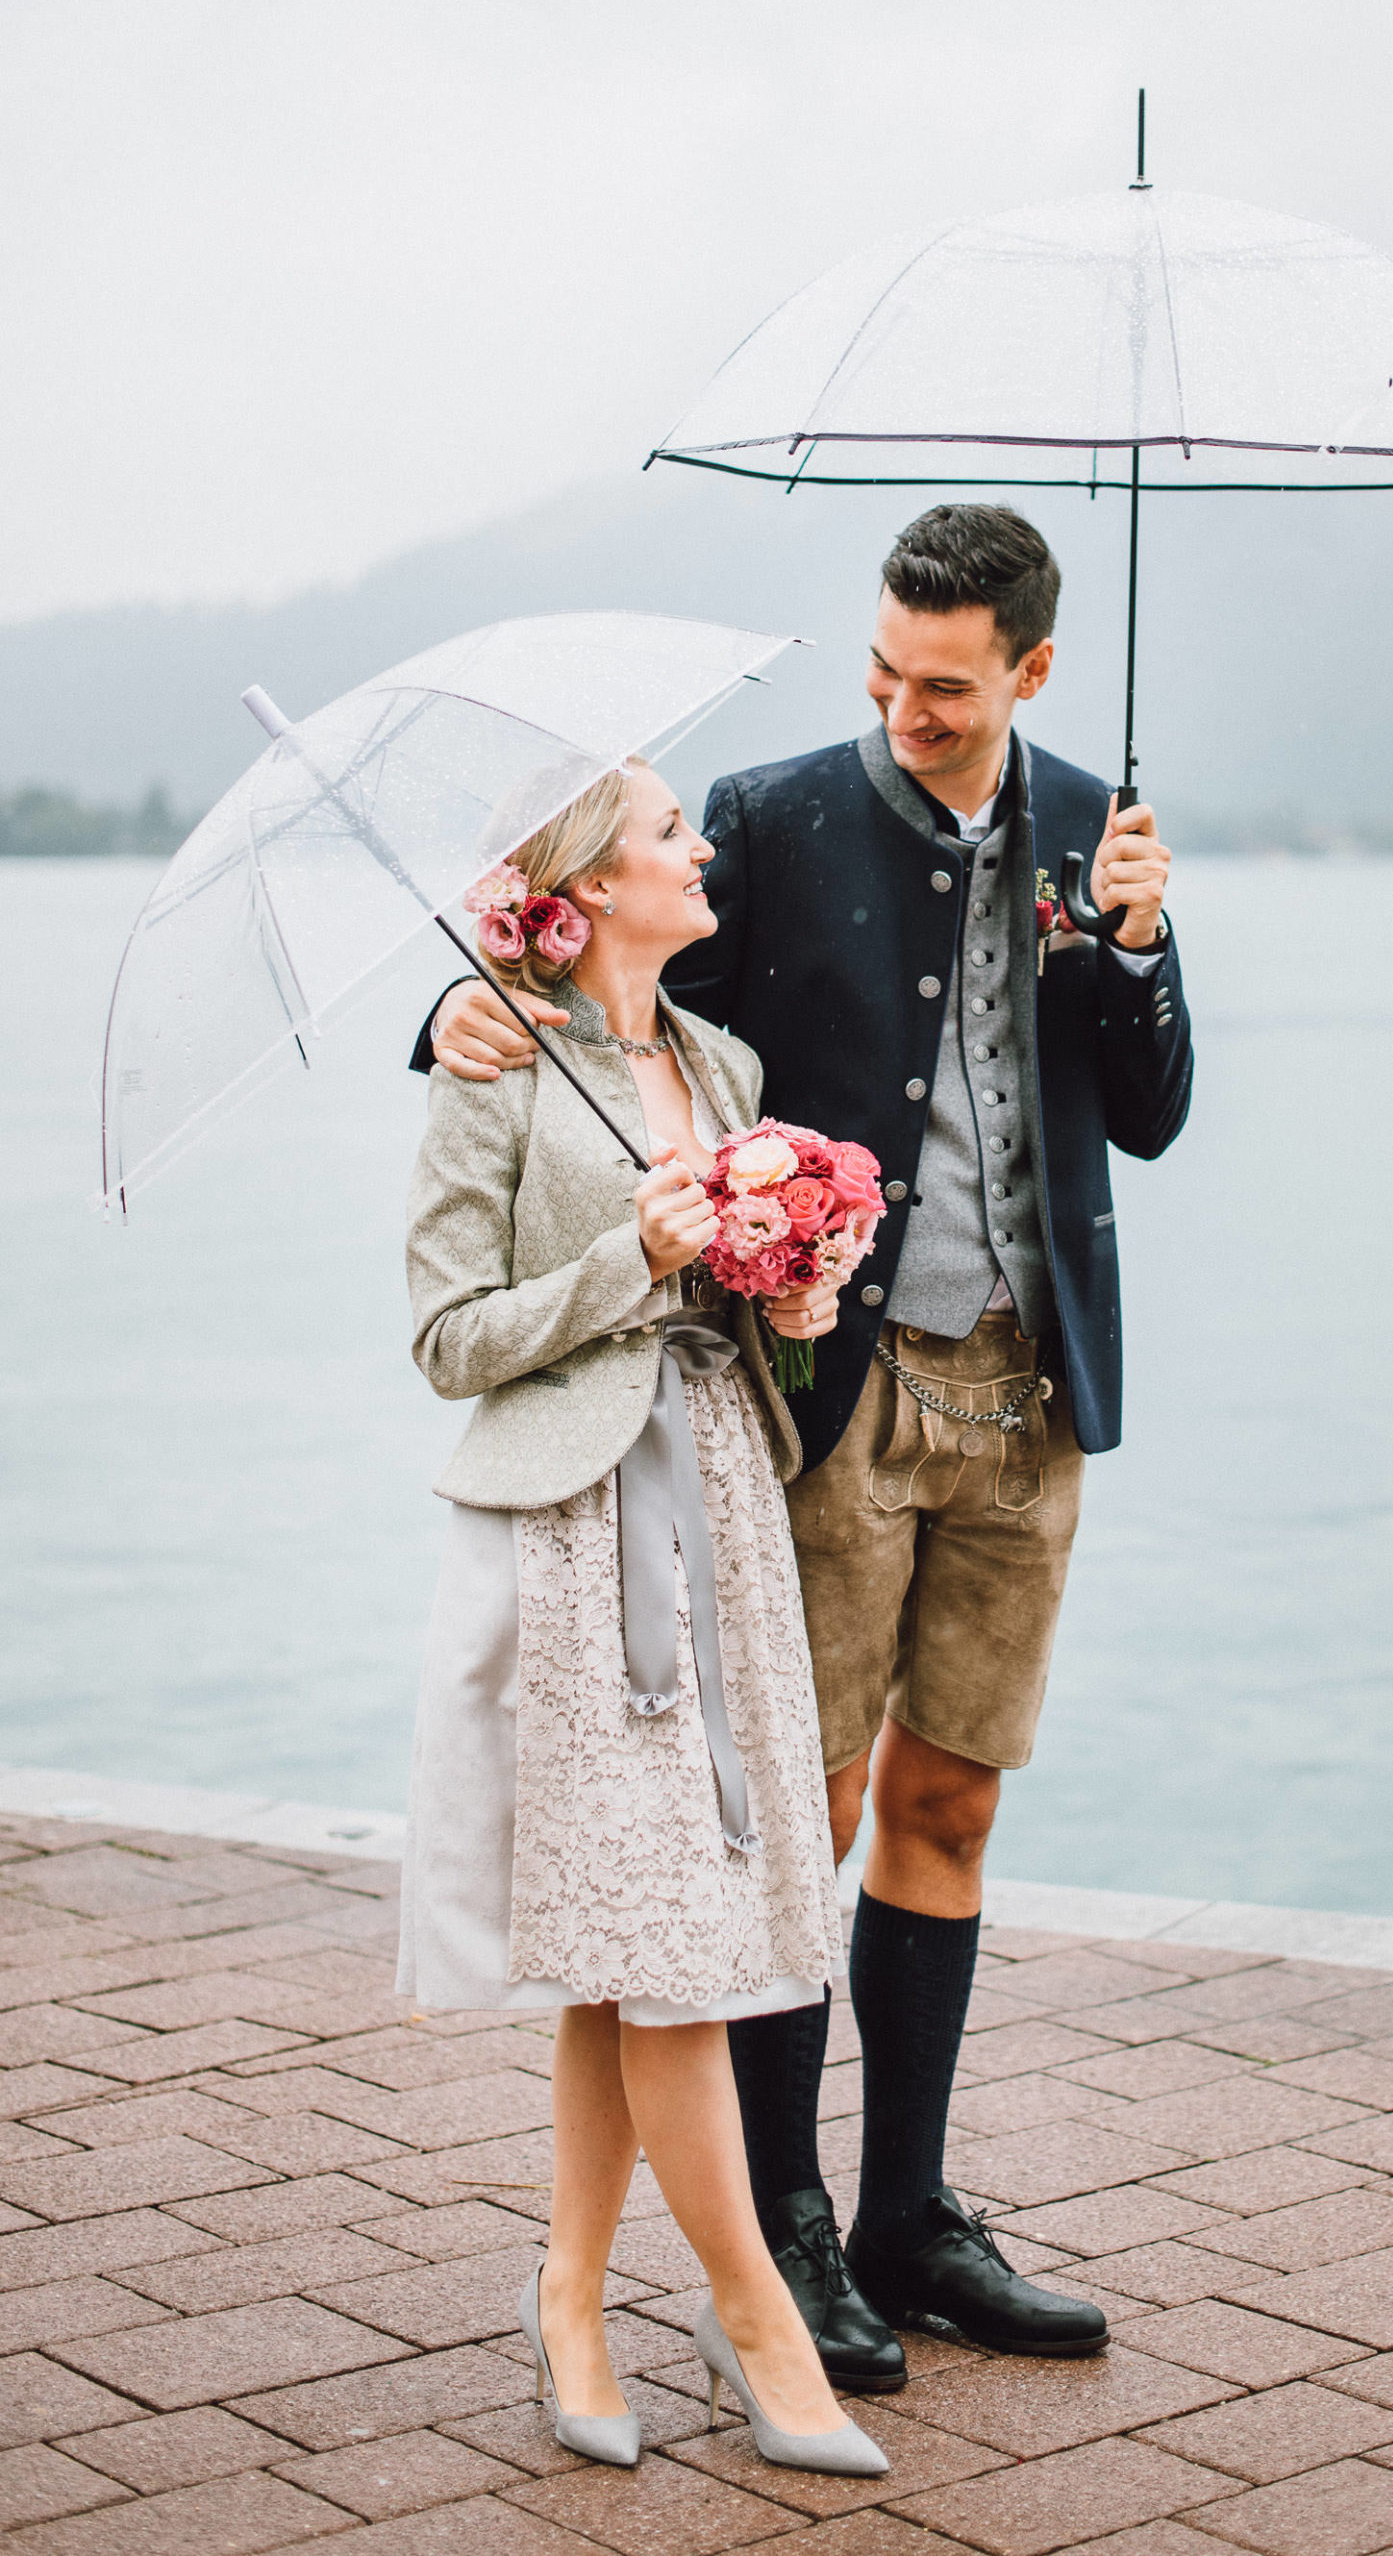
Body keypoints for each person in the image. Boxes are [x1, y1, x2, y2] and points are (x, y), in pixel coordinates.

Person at [421, 502, 1194, 2382]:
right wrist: (459, 1013)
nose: (904, 707)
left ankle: (908, 2217)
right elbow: (595, 1002)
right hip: (836, 1402)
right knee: (810, 1817)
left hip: (1031, 1396)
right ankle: (781, 2230)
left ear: (1029, 668)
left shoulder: (1101, 823)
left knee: (952, 1805)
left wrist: (1144, 952)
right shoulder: (766, 819)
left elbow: (1154, 1115)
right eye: (882, 670)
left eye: (945, 684)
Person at [400, 752, 886, 2478]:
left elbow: (751, 1328)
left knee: (632, 1951)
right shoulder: (492, 1060)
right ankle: (760, 2319)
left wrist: (792, 1282)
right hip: (576, 1534)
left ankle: (572, 2296)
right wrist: (640, 1261)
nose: (705, 851)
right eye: (674, 833)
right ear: (592, 883)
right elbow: (449, 1338)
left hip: (726, 1511)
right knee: (671, 1952)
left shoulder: (719, 1060)